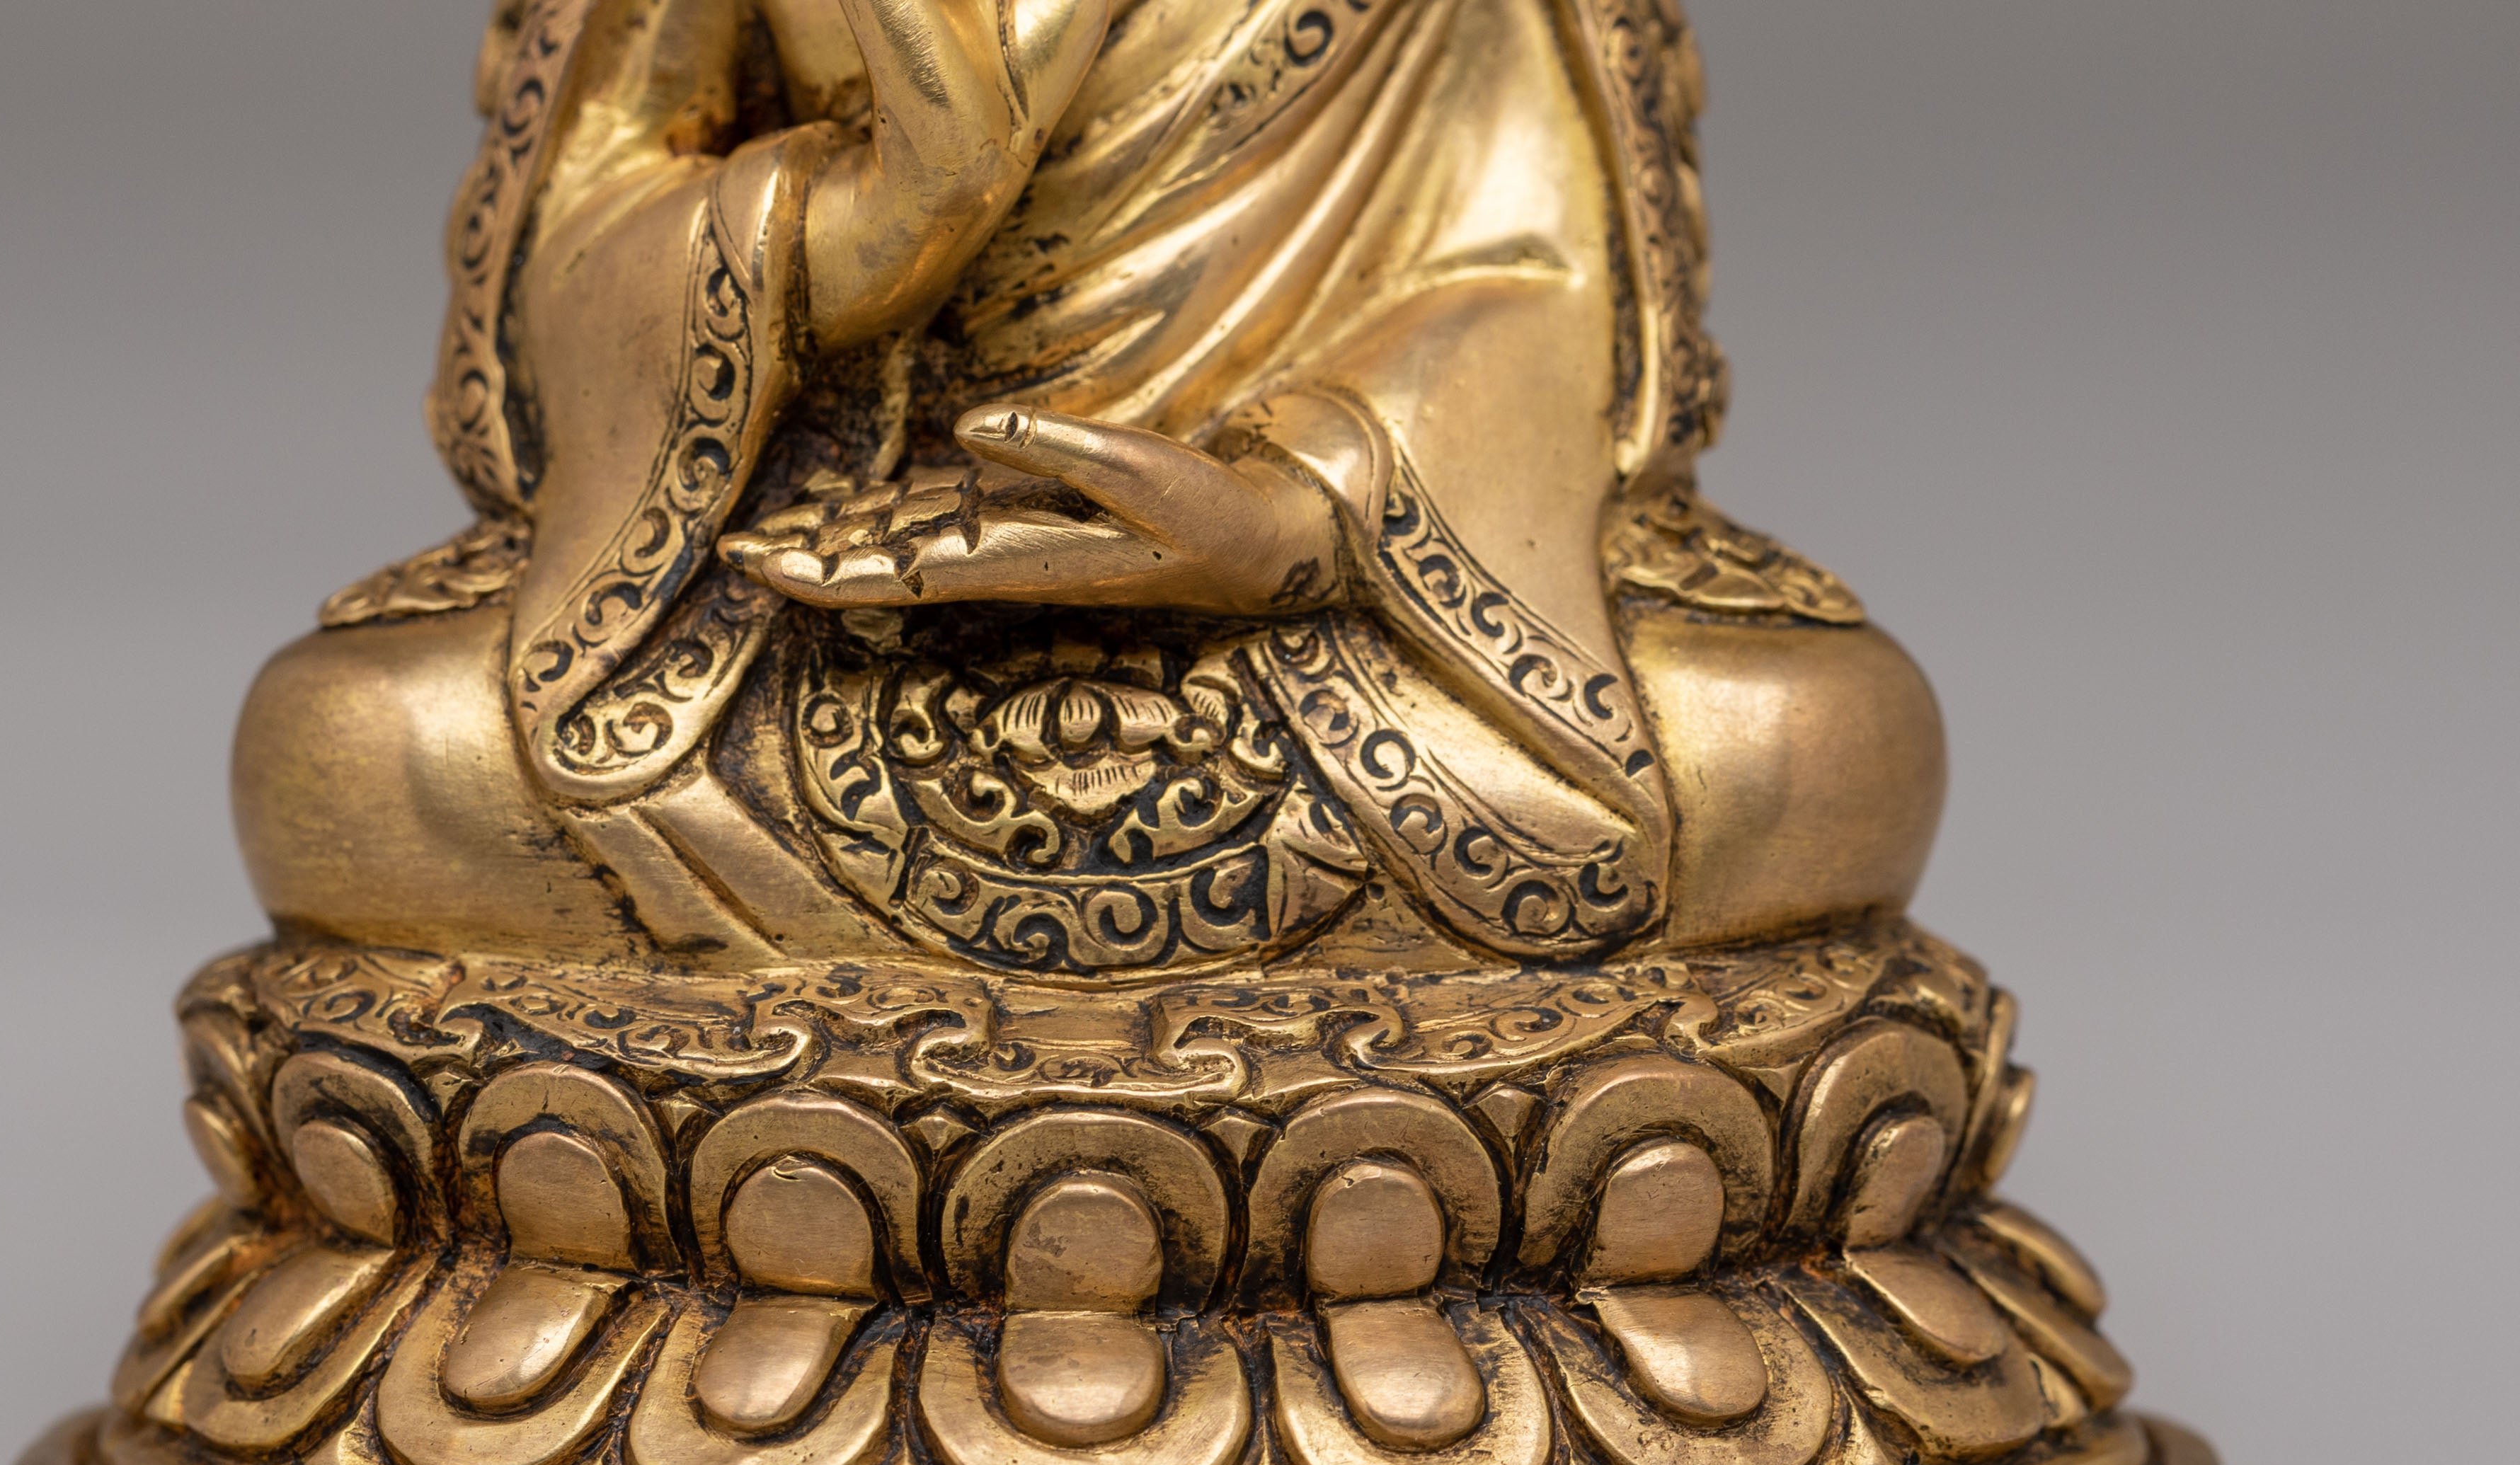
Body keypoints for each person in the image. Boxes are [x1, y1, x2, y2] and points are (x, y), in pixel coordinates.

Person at [237, 0, 1944, 977]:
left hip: (1342, 629)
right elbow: (580, 237)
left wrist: (1303, 509)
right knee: (361, 754)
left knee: (1807, 748)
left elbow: (1540, 272)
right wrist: (846, 233)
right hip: (812, 593)